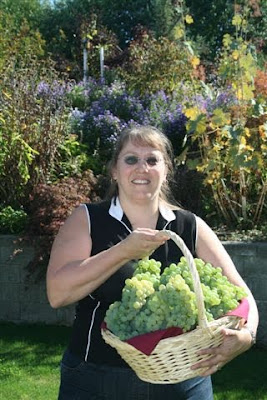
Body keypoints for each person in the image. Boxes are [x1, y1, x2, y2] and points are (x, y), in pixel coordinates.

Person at [47, 125, 259, 400]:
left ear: (166, 169)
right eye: (131, 159)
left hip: (183, 381)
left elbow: (243, 296)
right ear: (114, 170)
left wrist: (247, 336)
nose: (142, 168)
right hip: (95, 379)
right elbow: (57, 293)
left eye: (152, 160)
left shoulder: (189, 225)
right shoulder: (88, 219)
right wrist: (123, 251)